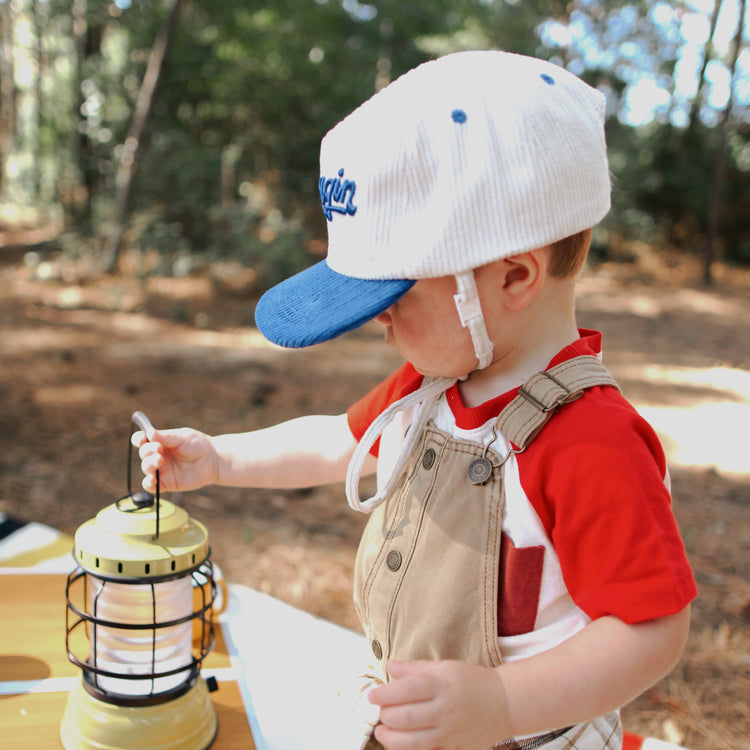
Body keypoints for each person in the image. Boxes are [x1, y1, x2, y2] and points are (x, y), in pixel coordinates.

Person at [133, 51, 697, 750]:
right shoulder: (434, 385)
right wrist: (221, 457)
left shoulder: (590, 439)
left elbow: (651, 628)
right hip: (416, 720)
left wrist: (503, 702)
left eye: (396, 293)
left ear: (514, 277)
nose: (379, 317)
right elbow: (340, 442)